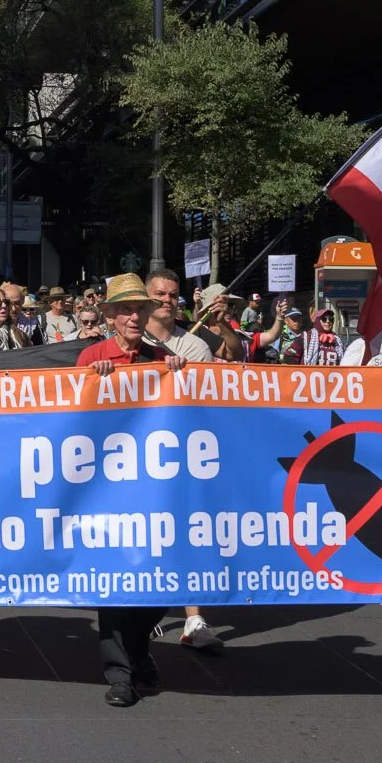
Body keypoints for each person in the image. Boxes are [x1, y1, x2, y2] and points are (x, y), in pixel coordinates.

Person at [74, 272, 192, 704]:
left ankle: (139, 652)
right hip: (107, 489)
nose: (133, 318)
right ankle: (120, 674)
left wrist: (179, 376)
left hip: (153, 489)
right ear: (111, 316)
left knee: (160, 582)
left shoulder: (160, 356)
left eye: (139, 310)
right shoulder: (92, 356)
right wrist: (95, 379)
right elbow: (72, 417)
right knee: (115, 583)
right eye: (125, 310)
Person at [137, 269, 221, 655]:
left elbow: (206, 399)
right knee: (143, 532)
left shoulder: (196, 347)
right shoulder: (130, 340)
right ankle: (143, 607)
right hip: (136, 453)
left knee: (187, 532)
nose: (167, 301)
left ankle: (193, 618)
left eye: (173, 295)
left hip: (183, 453)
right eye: (159, 294)